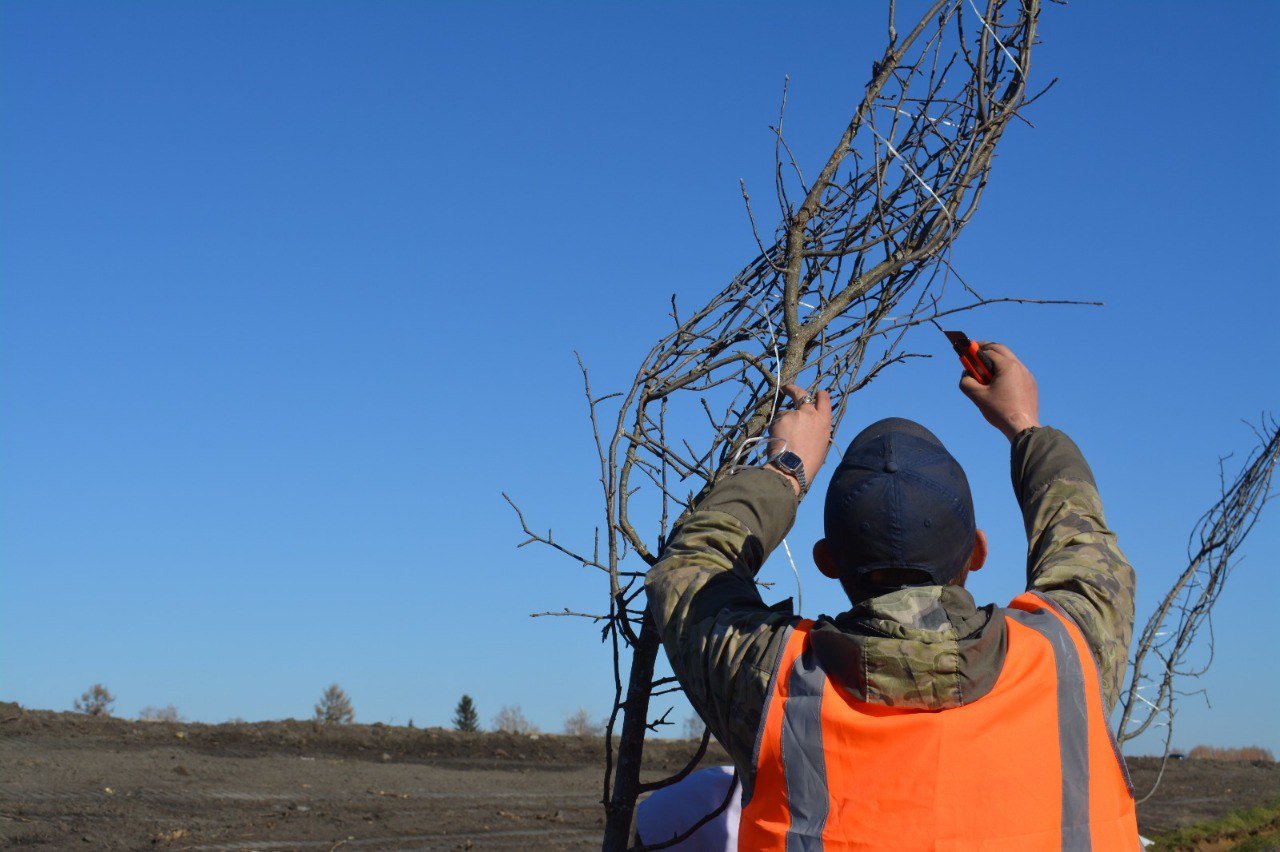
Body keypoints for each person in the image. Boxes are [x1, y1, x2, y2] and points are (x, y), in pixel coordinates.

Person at [645, 342, 1140, 849]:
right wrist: (1024, 425)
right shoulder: (1069, 654)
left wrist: (787, 469)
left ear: (826, 561)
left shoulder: (769, 681)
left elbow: (688, 571)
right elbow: (1082, 543)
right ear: (977, 551)